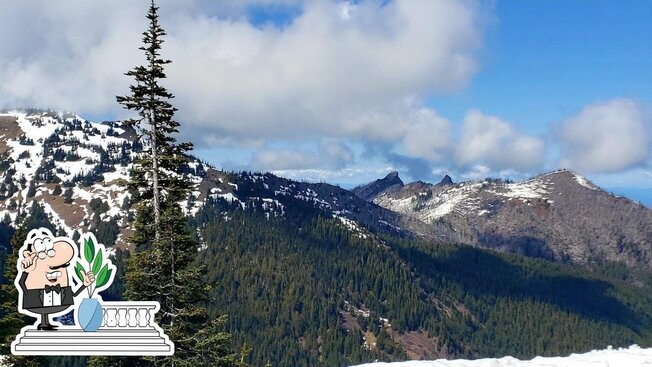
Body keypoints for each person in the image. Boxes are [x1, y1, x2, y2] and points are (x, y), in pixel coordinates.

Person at [17, 228, 95, 330]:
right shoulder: (32, 268)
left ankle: (46, 323)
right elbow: (21, 282)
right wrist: (28, 290)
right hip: (36, 298)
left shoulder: (62, 288)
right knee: (43, 309)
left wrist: (84, 284)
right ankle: (44, 323)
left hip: (54, 299)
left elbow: (73, 294)